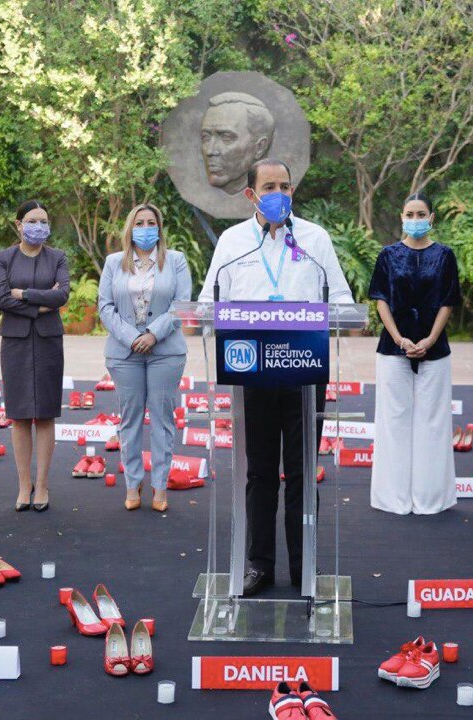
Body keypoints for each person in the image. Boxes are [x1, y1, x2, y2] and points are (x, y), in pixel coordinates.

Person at [199, 157, 353, 596]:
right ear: (251, 194)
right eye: (270, 186)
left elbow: (341, 298)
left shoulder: (314, 239)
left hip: (304, 371)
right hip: (252, 370)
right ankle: (258, 564)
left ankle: (305, 569)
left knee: (303, 472)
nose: (280, 194)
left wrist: (330, 313)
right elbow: (208, 303)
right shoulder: (232, 243)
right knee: (259, 471)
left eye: (285, 186)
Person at [368, 193, 461, 515]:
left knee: (432, 423)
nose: (416, 218)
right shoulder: (388, 255)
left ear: (432, 218)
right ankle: (393, 497)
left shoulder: (445, 255)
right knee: (394, 422)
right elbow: (380, 298)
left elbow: (448, 300)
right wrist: (399, 338)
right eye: (410, 213)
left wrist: (431, 338)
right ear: (401, 216)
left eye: (421, 213)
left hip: (436, 351)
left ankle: (430, 498)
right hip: (393, 349)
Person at [98, 204, 192, 512]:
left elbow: (181, 304)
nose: (146, 227)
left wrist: (153, 333)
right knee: (131, 419)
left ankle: (160, 486)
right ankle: (133, 482)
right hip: (125, 353)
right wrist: (132, 337)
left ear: (160, 227)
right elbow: (105, 307)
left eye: (152, 222)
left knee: (163, 419)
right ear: (130, 227)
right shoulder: (114, 262)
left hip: (165, 351)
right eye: (140, 222)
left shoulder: (175, 261)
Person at [0, 200, 71, 512]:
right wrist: (41, 304)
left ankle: (43, 485)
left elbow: (62, 295)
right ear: (18, 224)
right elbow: (0, 298)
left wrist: (23, 294)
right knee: (20, 414)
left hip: (49, 340)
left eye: (43, 220)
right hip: (15, 341)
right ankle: (25, 486)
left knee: (46, 412)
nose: (38, 226)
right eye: (31, 220)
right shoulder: (4, 257)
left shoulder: (58, 257)